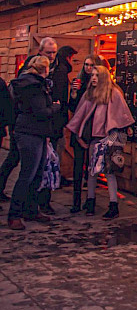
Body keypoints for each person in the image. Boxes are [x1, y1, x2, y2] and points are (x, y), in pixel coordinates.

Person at [66, 66, 133, 219]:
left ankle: (113, 205)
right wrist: (79, 135)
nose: (94, 77)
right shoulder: (89, 94)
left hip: (110, 138)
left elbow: (122, 116)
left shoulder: (114, 94)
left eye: (97, 75)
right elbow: (80, 114)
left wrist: (112, 139)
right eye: (93, 75)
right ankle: (90, 201)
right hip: (94, 138)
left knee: (109, 172)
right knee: (92, 170)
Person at [7, 56, 60, 230]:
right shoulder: (34, 87)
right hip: (31, 132)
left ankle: (30, 209)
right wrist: (56, 107)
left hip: (33, 131)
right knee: (27, 174)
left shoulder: (26, 83)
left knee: (36, 174)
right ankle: (15, 214)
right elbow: (41, 111)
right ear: (45, 69)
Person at [38, 45, 77, 213]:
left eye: (54, 52)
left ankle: (40, 202)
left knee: (48, 164)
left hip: (52, 125)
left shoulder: (59, 71)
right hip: (44, 126)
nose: (52, 55)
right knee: (42, 165)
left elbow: (60, 100)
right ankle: (38, 203)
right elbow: (57, 102)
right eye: (49, 52)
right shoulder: (57, 72)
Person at [68, 54, 101, 213]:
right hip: (81, 128)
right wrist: (74, 93)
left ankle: (90, 200)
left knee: (92, 167)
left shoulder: (101, 86)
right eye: (86, 65)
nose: (88, 68)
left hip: (95, 130)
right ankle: (76, 201)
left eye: (91, 65)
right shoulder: (80, 82)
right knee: (78, 166)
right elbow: (72, 107)